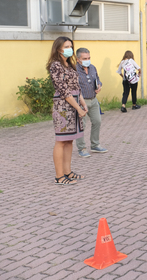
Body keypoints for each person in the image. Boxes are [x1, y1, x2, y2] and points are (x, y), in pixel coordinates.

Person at [47, 37, 88, 185]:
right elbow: (63, 90)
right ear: (58, 49)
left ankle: (67, 172)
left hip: (75, 103)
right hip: (63, 107)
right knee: (61, 141)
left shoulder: (71, 65)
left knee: (69, 140)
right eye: (66, 46)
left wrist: (82, 103)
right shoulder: (55, 66)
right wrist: (78, 108)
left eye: (71, 46)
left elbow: (76, 87)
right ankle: (59, 176)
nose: (70, 49)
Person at [75, 48, 108, 157]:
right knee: (81, 125)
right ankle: (82, 148)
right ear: (77, 59)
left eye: (89, 58)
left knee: (97, 121)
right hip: (81, 102)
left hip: (93, 100)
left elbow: (98, 79)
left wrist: (99, 85)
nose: (87, 60)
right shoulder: (74, 70)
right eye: (84, 58)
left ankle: (95, 145)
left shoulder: (92, 67)